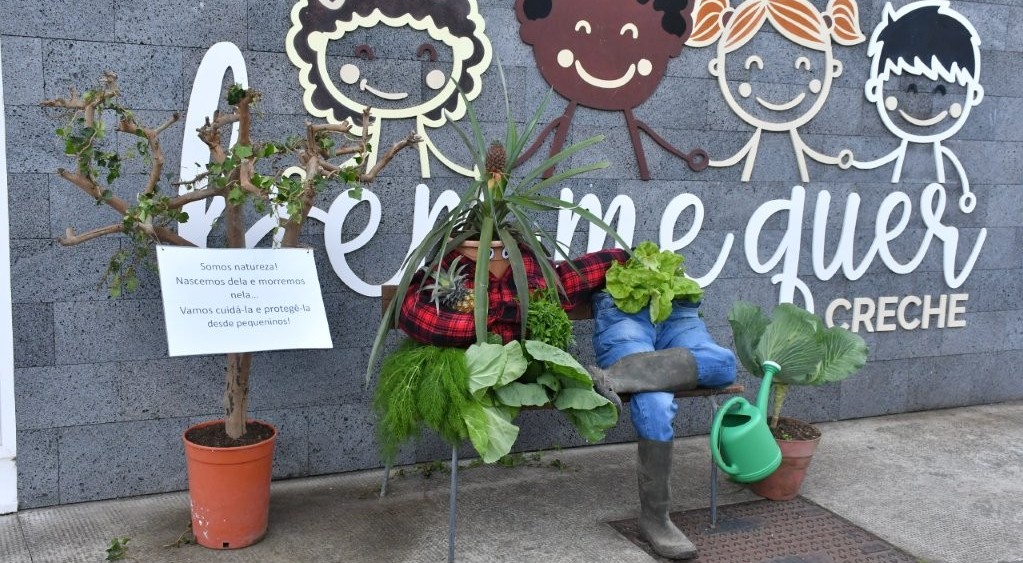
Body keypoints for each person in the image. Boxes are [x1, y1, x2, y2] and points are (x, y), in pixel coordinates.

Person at [589, 291, 736, 560]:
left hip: (678, 312)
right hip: (625, 311)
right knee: (655, 403)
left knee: (724, 364)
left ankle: (613, 378)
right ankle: (656, 520)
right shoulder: (614, 260)